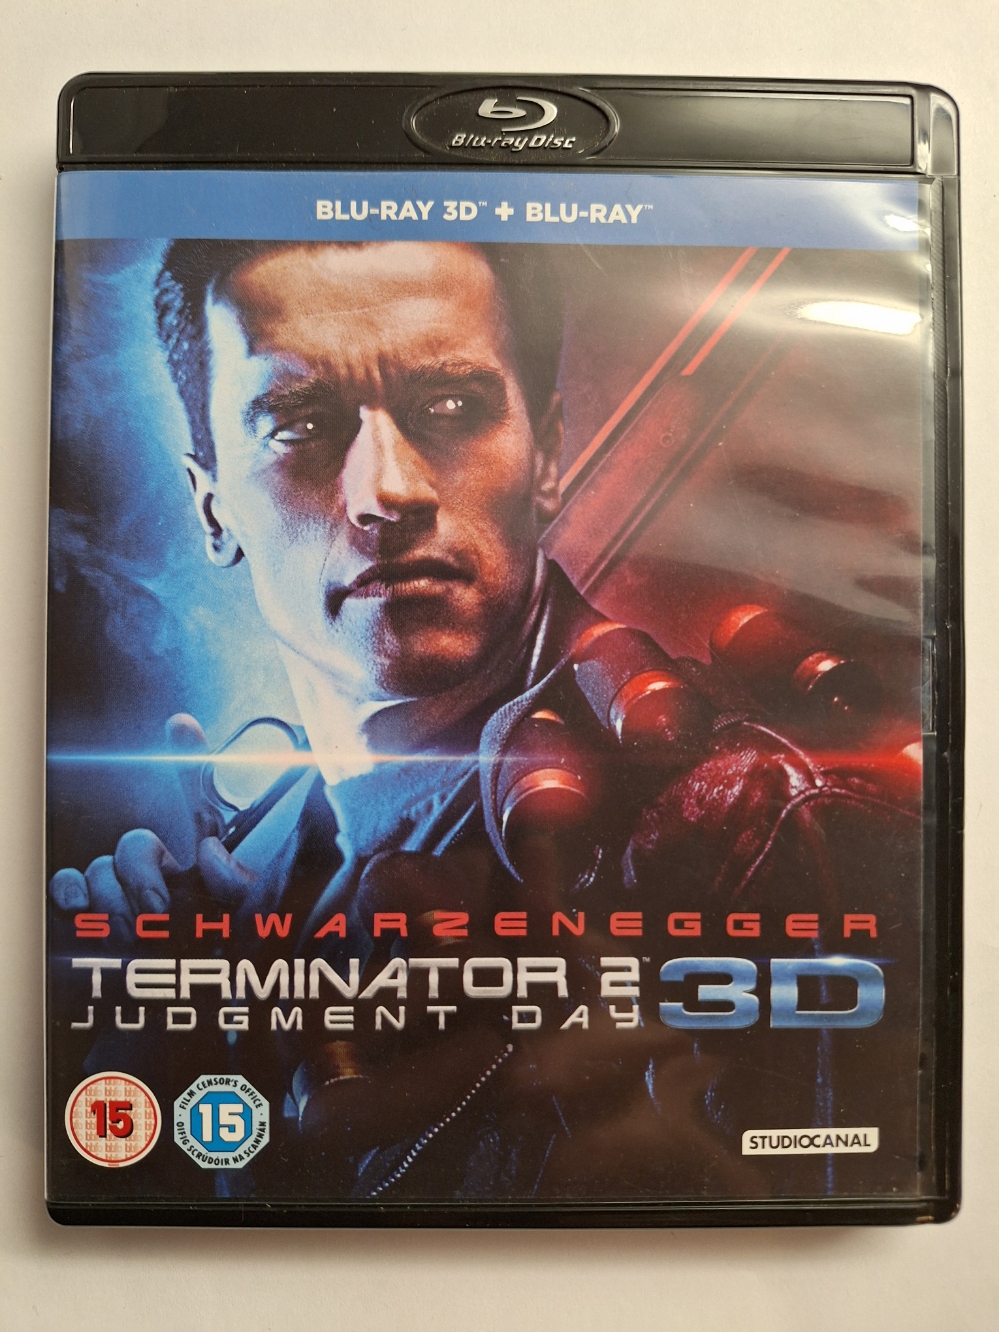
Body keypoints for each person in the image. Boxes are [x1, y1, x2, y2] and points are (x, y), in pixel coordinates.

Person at [49, 239, 919, 1202]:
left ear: (547, 459)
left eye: (451, 408)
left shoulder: (748, 818)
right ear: (212, 509)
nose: (389, 491)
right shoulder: (265, 880)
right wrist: (177, 1023)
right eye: (301, 423)